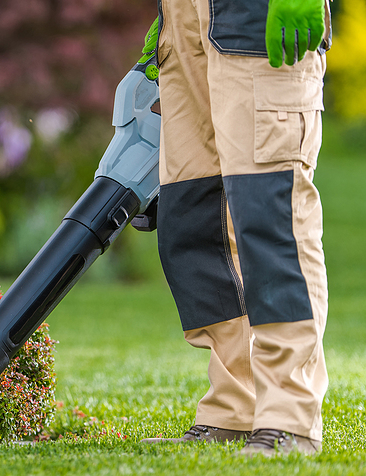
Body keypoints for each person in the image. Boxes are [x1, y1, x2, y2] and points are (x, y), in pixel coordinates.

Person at [138, 0, 332, 456]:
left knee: (272, 218)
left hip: (257, 15)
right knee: (194, 218)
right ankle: (234, 409)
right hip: (185, 21)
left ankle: (290, 416)